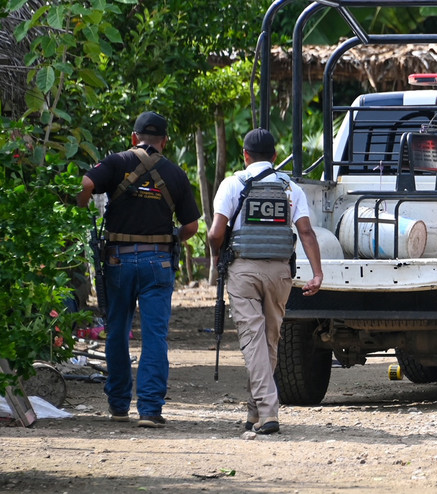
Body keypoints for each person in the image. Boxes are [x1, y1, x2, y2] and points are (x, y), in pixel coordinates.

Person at [76, 111, 200, 428]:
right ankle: (149, 409)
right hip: (158, 261)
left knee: (117, 330)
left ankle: (119, 405)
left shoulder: (116, 162)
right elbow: (191, 227)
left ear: (134, 137)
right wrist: (170, 237)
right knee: (155, 335)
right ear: (164, 141)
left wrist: (82, 206)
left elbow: (86, 182)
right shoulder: (175, 173)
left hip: (117, 260)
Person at [207, 128, 323, 435]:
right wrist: (317, 273)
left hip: (243, 271)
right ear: (274, 156)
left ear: (245, 156)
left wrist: (216, 256)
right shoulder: (290, 187)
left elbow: (215, 233)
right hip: (280, 273)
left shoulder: (233, 184)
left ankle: (269, 412)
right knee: (269, 340)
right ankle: (254, 412)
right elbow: (306, 232)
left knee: (253, 339)